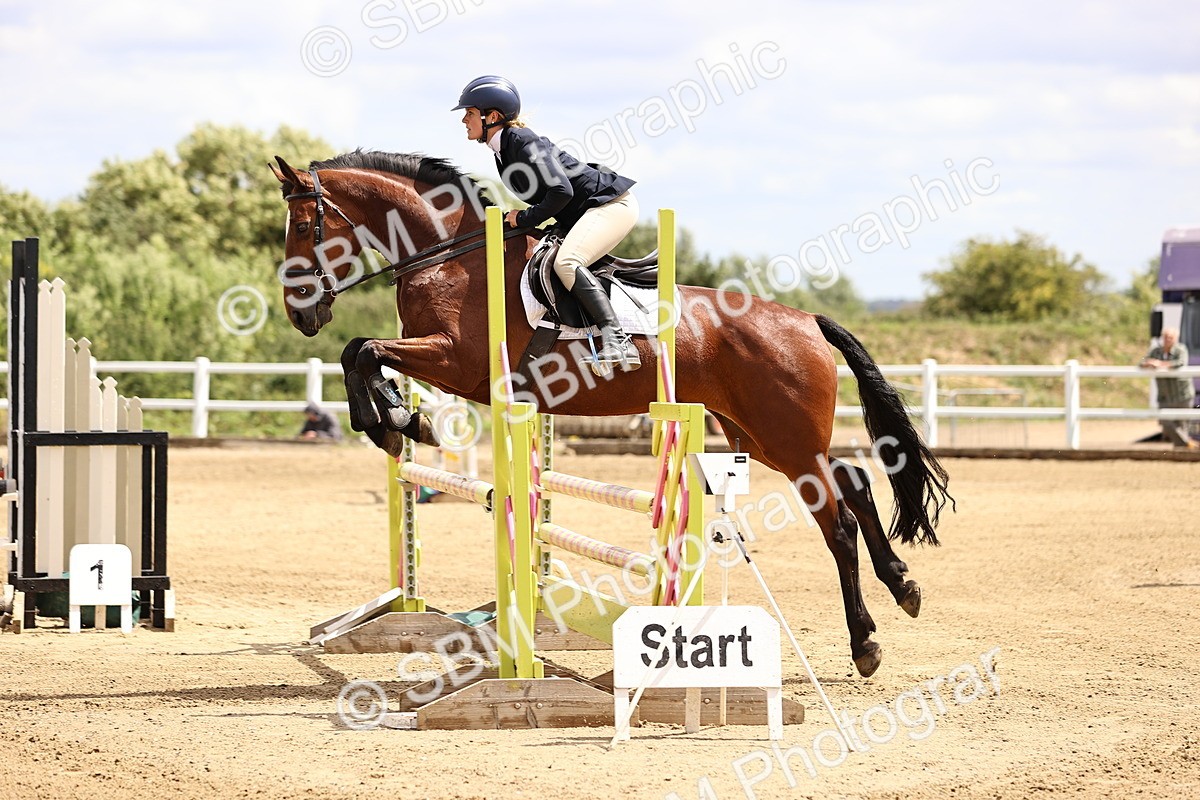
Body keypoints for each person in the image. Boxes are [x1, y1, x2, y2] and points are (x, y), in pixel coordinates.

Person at [453, 75, 641, 371]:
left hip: (610, 205)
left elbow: (562, 191)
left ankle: (618, 340)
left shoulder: (521, 141)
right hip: (585, 212)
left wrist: (524, 217)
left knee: (567, 262)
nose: (464, 119)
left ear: (493, 117)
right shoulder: (504, 149)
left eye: (470, 113)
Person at [1139, 327, 1196, 448]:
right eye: (1166, 337)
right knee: (1165, 421)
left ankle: (1182, 450)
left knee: (1182, 425)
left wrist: (1160, 364)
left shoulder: (1181, 349)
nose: (1168, 339)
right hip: (1165, 395)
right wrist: (1148, 363)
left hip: (1182, 394)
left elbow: (1180, 363)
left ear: (1175, 339)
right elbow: (1142, 361)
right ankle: (1187, 443)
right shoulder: (1155, 351)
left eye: (1170, 337)